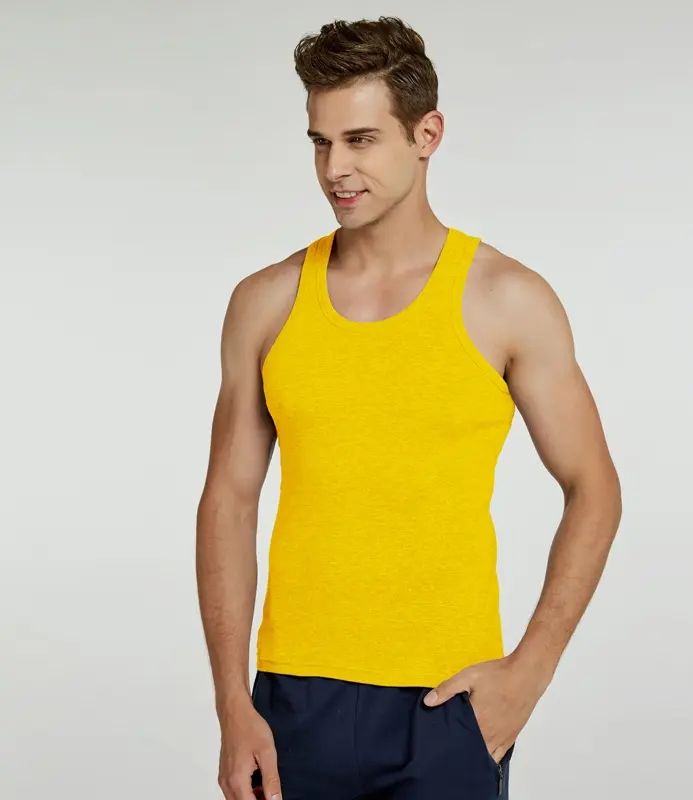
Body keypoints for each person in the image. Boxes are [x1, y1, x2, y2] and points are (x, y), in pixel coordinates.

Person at [196, 15, 622, 800]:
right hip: (292, 700)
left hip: (447, 700)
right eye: (320, 143)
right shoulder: (265, 302)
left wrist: (529, 673)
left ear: (427, 134)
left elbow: (593, 487)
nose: (335, 169)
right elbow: (229, 500)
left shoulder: (506, 299)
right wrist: (231, 702)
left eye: (360, 140)